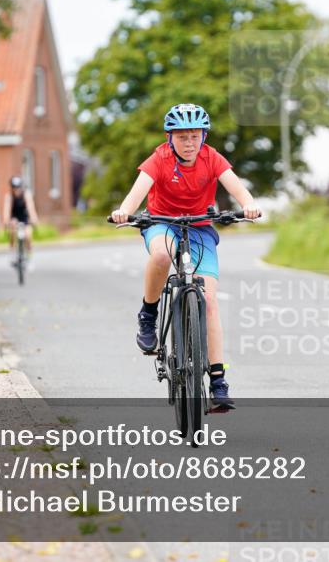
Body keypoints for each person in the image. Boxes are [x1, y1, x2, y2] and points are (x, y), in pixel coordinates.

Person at [110, 104, 261, 412]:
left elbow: (237, 187)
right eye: (182, 137)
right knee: (163, 256)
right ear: (170, 139)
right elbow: (137, 193)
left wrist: (249, 205)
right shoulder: (159, 159)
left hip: (200, 226)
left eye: (195, 136)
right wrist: (124, 211)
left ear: (203, 136)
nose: (190, 143)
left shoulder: (212, 157)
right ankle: (148, 314)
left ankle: (218, 381)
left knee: (210, 298)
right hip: (162, 223)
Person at [2, 176, 39, 266]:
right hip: (14, 219)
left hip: (25, 218)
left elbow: (31, 208)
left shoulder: (26, 195)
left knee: (28, 235)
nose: (17, 190)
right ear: (12, 188)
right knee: (12, 232)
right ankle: (13, 253)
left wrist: (34, 219)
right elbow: (6, 210)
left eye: (18, 187)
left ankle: (29, 257)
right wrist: (6, 221)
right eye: (14, 188)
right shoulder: (9, 196)